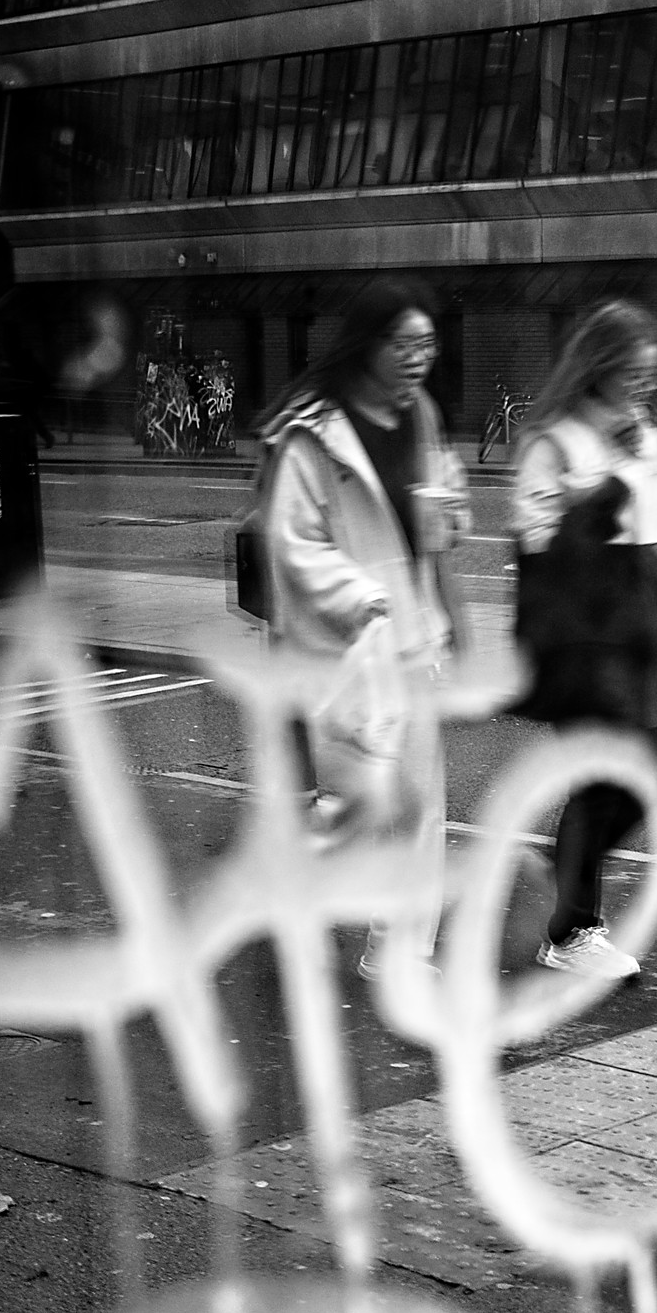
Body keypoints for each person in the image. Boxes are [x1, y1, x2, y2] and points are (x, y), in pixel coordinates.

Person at [257, 278, 469, 981]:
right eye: (403, 344)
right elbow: (292, 542)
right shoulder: (313, 433)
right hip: (343, 652)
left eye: (426, 345)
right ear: (367, 344)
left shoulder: (422, 417)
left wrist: (451, 520)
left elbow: (435, 525)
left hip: (412, 641)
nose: (417, 359)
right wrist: (360, 596)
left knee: (420, 805)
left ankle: (399, 948)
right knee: (356, 804)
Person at [509, 299, 657, 981]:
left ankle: (568, 879)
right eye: (634, 374)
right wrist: (614, 483)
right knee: (605, 777)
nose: (645, 387)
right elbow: (540, 544)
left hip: (638, 633)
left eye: (653, 375)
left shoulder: (644, 435)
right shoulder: (554, 443)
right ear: (598, 366)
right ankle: (572, 930)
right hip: (581, 636)